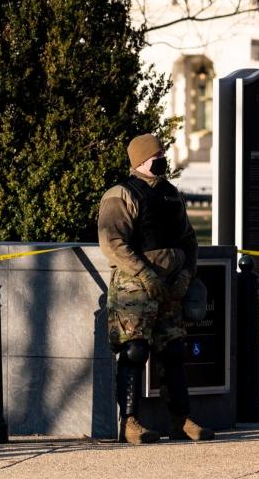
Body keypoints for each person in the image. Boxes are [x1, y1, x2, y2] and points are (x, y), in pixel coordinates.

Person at [98, 133, 214, 444]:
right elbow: (112, 242)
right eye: (158, 154)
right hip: (135, 288)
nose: (163, 158)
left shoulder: (171, 194)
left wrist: (186, 275)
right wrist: (145, 275)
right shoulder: (121, 195)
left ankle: (180, 419)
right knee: (135, 351)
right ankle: (130, 422)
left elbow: (188, 240)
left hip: (170, 288)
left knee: (174, 352)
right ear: (142, 160)